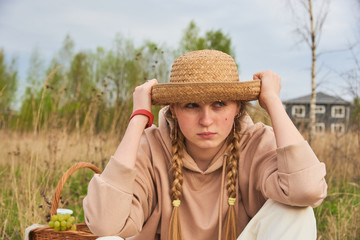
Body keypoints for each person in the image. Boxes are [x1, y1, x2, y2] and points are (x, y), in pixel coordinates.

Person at [83, 49, 327, 240]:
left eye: (219, 104)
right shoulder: (151, 147)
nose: (206, 120)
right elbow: (105, 223)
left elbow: (307, 190)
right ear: (174, 110)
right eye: (191, 105)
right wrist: (138, 118)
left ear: (238, 107)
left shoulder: (256, 143)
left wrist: (272, 101)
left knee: (297, 213)